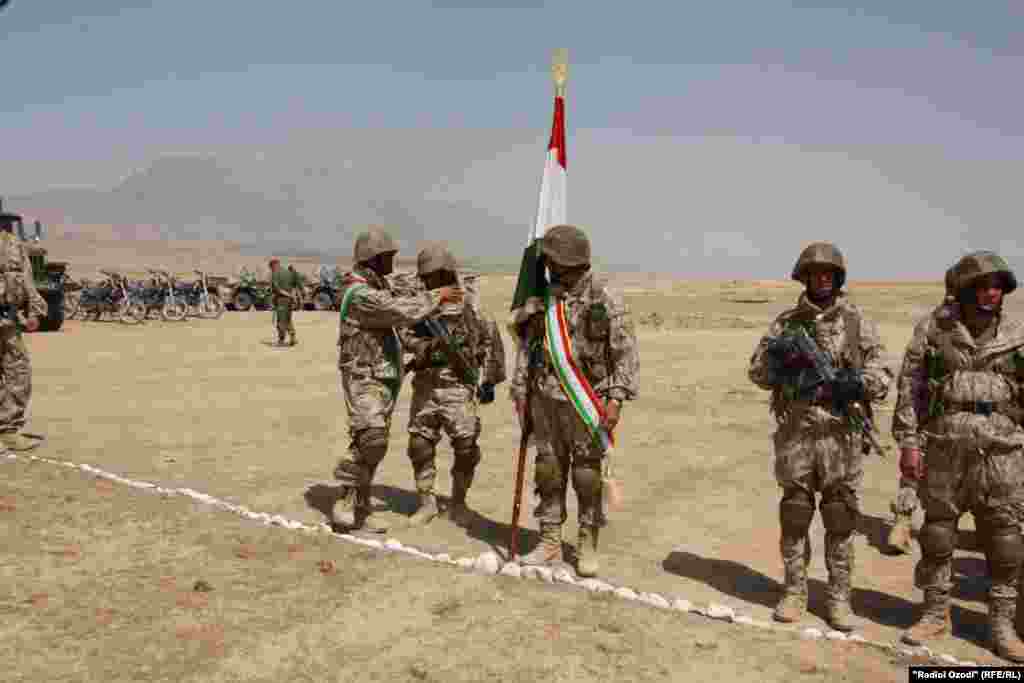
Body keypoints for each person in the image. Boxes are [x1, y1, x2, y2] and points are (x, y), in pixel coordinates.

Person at [748, 242, 892, 631]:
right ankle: (794, 592)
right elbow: (757, 373)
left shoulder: (858, 323)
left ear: (838, 278)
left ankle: (839, 598)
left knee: (840, 514)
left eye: (829, 273)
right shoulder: (786, 323)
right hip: (797, 429)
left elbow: (883, 376)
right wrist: (781, 361)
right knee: (795, 512)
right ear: (805, 278)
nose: (822, 279)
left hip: (841, 432)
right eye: (815, 273)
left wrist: (856, 383)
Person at [895, 251, 1024, 662]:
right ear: (965, 290)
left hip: (1002, 450)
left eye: (998, 286)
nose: (992, 293)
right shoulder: (935, 331)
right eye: (983, 286)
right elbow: (910, 387)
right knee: (937, 534)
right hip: (945, 444)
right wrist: (909, 442)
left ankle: (1002, 626)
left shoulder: (1018, 333)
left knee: (1005, 540)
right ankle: (935, 614)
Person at [509, 224, 640, 578]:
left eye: (552, 261)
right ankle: (549, 540)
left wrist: (616, 400)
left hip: (587, 400)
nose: (548, 267)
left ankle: (587, 542)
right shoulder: (544, 298)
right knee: (549, 470)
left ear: (569, 262)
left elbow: (625, 354)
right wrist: (521, 391)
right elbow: (527, 346)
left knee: (586, 474)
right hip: (545, 398)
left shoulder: (605, 297)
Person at [330, 228, 462, 533]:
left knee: (375, 445)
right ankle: (345, 501)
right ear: (373, 258)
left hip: (384, 376)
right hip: (364, 376)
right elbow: (398, 310)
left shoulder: (379, 285)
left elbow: (403, 299)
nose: (392, 261)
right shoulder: (360, 293)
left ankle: (362, 506)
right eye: (387, 256)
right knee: (370, 437)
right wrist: (438, 295)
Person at [400, 244, 506, 527]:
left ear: (447, 272)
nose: (429, 281)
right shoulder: (421, 303)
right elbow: (403, 334)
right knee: (419, 444)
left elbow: (491, 339)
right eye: (426, 276)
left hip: (458, 385)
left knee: (466, 448)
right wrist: (421, 345)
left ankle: (459, 502)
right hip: (426, 384)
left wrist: (489, 380)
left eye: (434, 275)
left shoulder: (469, 303)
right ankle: (426, 502)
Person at [887, 266, 958, 555]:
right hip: (936, 415)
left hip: (934, 416)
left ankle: (902, 522)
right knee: (916, 470)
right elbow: (911, 378)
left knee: (914, 472)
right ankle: (903, 523)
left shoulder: (931, 323)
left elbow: (908, 380)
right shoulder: (934, 326)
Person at [0, 210, 46, 451]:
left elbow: (27, 279)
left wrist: (34, 311)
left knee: (18, 372)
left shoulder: (14, 245)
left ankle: (8, 429)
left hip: (8, 320)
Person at [269, 258, 299, 346]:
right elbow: (295, 285)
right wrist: (293, 296)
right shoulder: (288, 272)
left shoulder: (275, 273)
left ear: (274, 265)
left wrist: (288, 295)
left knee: (281, 320)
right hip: (290, 300)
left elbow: (277, 289)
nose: (271, 269)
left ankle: (281, 340)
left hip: (281, 300)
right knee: (288, 319)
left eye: (271, 267)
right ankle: (292, 337)